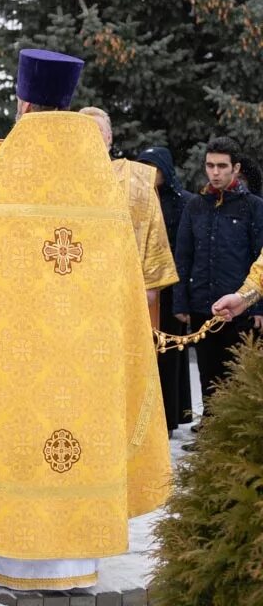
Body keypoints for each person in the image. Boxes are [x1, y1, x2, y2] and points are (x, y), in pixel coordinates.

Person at [0, 49, 171, 591]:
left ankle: (0, 555)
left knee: (6, 433)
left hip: (13, 358)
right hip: (85, 360)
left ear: (23, 104)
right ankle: (70, 561)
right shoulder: (101, 189)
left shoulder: (3, 180)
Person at [172, 136, 263, 407]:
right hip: (203, 305)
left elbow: (260, 255)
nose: (215, 172)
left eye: (222, 166)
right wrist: (181, 301)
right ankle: (209, 427)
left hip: (242, 309)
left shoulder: (253, 206)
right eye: (210, 165)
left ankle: (234, 432)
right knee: (207, 375)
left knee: (239, 377)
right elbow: (183, 255)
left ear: (236, 168)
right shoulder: (195, 206)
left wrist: (258, 307)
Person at [78, 107, 178, 318]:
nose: (91, 136)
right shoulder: (61, 182)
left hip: (122, 286)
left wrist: (151, 285)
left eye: (97, 130)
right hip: (76, 282)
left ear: (109, 137)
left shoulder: (136, 179)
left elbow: (154, 228)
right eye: (84, 130)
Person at [137, 146, 197, 433]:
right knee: (144, 353)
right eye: (144, 166)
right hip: (143, 288)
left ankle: (170, 417)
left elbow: (186, 250)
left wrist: (184, 294)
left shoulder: (185, 202)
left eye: (155, 167)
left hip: (172, 290)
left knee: (171, 353)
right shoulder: (137, 199)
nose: (150, 172)